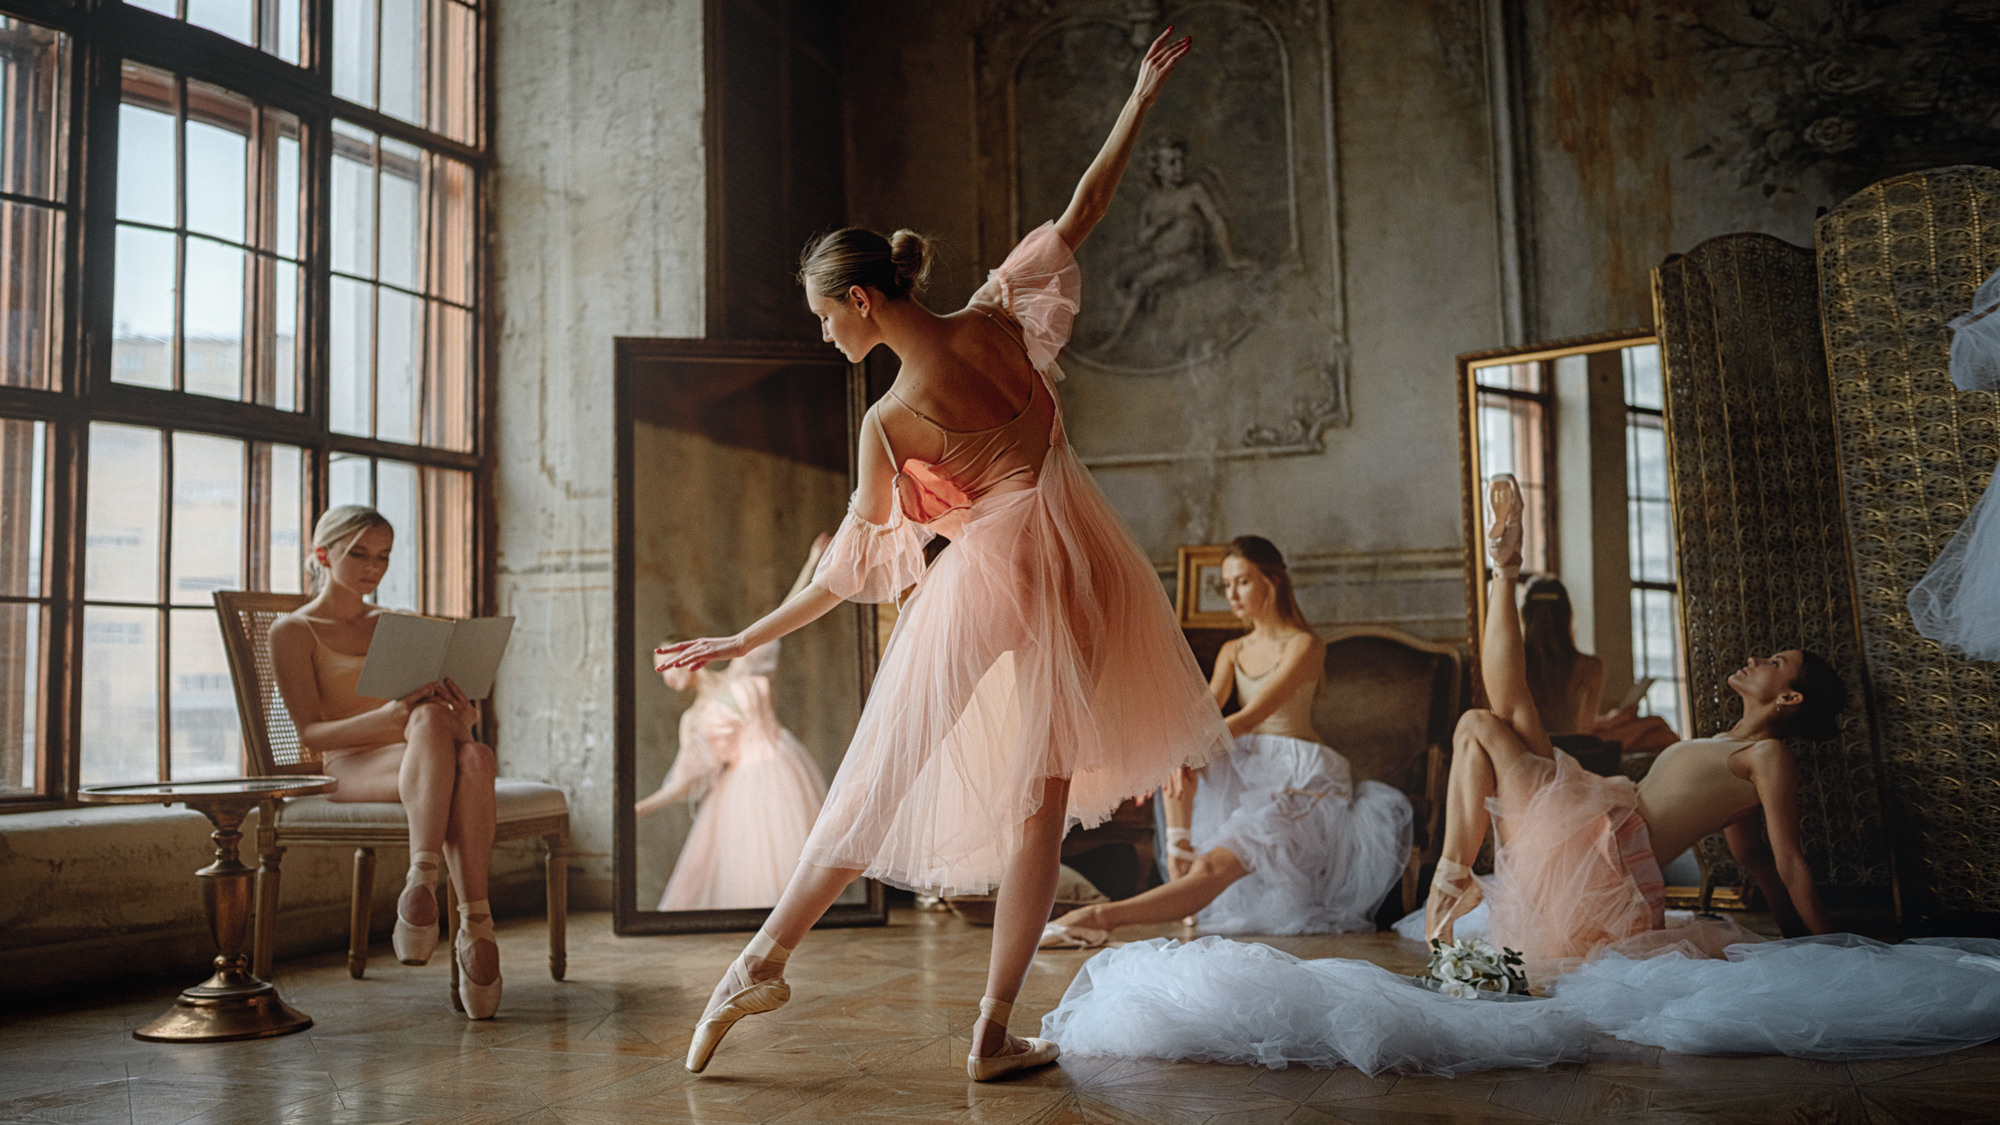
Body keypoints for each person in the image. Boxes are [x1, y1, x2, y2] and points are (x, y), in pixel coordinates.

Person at [656, 26, 1230, 1083]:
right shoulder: (1001, 316)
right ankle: (992, 1028)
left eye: (825, 317)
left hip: (994, 577)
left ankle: (759, 958)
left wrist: (744, 634)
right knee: (1037, 809)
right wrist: (1138, 98)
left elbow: (848, 570)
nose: (825, 335)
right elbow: (1084, 211)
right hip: (1081, 568)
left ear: (863, 302)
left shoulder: (891, 420)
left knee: (882, 772)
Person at [1425, 474, 1843, 979]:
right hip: (1595, 823)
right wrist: (1798, 941)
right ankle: (1505, 567)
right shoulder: (1730, 748)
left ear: (1789, 698)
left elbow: (1784, 862)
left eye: (1774, 662)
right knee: (1495, 716)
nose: (1756, 659)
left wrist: (1826, 951)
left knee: (1484, 721)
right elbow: (1752, 855)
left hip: (1609, 859)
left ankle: (1448, 887)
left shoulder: (1768, 756)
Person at [1038, 536, 1410, 945]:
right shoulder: (1233, 649)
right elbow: (1202, 714)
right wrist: (1170, 754)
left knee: (1211, 859)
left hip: (1300, 776)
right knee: (1184, 751)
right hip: (1249, 766)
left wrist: (1185, 748)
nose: (1231, 594)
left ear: (1273, 582)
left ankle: (1098, 918)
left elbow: (1251, 718)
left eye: (1243, 582)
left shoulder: (1304, 644)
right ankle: (1179, 854)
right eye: (1226, 585)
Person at [268, 505, 503, 1019]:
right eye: (359, 554)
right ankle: (475, 928)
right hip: (344, 766)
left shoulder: (398, 625)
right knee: (446, 740)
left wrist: (462, 719)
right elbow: (310, 733)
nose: (372, 568)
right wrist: (395, 716)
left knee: (476, 754)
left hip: (419, 755)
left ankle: (429, 888)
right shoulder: (292, 632)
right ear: (322, 554)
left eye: (383, 557)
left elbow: (438, 725)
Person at [639, 536, 832, 910]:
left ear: (688, 656)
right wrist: (635, 810)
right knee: (755, 871)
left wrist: (811, 562)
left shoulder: (743, 666)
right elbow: (681, 783)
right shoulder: (692, 720)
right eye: (660, 671)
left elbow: (782, 617)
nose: (664, 675)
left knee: (796, 862)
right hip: (741, 790)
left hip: (783, 764)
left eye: (666, 664)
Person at [1521, 574, 1677, 755]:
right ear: (1567, 616)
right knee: (1660, 730)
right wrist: (1614, 721)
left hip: (1533, 749)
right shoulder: (1590, 666)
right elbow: (1583, 731)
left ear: (1525, 616)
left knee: (1657, 726)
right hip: (1575, 750)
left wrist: (1613, 720)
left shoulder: (1517, 664)